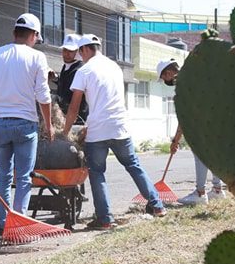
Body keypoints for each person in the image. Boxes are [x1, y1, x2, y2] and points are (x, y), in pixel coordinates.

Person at [63, 34, 167, 228]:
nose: (80, 55)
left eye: (80, 52)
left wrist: (65, 133)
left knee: (97, 172)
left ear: (85, 49)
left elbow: (74, 107)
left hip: (98, 131)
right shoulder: (114, 67)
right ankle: (157, 205)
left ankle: (105, 219)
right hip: (120, 127)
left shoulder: (84, 71)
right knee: (134, 166)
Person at [0, 13, 54, 233]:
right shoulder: (37, 57)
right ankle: (18, 224)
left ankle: (3, 222)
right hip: (25, 124)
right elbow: (43, 94)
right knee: (23, 178)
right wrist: (49, 125)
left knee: (4, 177)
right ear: (33, 35)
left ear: (14, 32)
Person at [159, 59, 227, 206]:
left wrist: (175, 141)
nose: (165, 81)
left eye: (164, 77)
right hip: (216, 120)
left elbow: (184, 117)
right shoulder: (194, 75)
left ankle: (200, 193)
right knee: (213, 156)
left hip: (202, 124)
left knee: (200, 156)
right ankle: (217, 190)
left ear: (169, 73)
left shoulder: (183, 85)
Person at [53, 34, 88, 124]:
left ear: (77, 52)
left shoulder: (80, 70)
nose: (66, 54)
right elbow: (67, 85)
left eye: (70, 51)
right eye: (64, 50)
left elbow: (70, 95)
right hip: (65, 120)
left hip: (78, 122)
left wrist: (51, 98)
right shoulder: (66, 66)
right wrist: (56, 79)